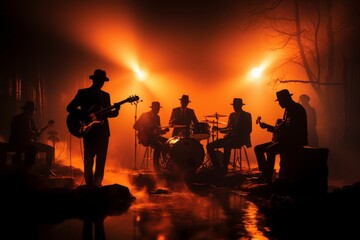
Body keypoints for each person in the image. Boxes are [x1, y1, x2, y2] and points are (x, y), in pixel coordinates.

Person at [66, 69, 120, 187]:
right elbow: (70, 108)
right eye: (100, 80)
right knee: (89, 157)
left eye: (103, 81)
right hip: (89, 130)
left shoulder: (106, 96)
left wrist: (116, 111)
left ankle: (98, 183)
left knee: (101, 158)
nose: (101, 83)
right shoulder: (83, 93)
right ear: (94, 80)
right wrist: (85, 115)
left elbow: (107, 114)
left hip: (103, 131)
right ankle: (89, 183)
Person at [254, 89, 308, 183]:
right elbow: (284, 128)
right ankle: (265, 173)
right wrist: (270, 127)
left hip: (294, 141)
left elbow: (290, 130)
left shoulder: (295, 109)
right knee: (258, 148)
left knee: (270, 150)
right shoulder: (289, 109)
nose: (279, 103)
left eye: (280, 101)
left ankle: (267, 177)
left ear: (285, 99)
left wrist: (270, 128)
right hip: (285, 139)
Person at [8, 101, 55, 176]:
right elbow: (34, 134)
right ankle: (40, 170)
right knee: (49, 149)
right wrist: (47, 125)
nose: (33, 112)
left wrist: (47, 125)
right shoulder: (25, 119)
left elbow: (36, 133)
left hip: (17, 143)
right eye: (32, 110)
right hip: (22, 144)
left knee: (33, 147)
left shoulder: (21, 118)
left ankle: (31, 170)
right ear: (30, 110)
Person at [206, 98, 252, 174]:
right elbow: (228, 128)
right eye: (234, 105)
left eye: (236, 105)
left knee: (227, 145)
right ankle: (217, 167)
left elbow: (249, 130)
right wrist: (218, 128)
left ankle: (224, 167)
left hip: (241, 139)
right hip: (230, 138)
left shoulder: (247, 115)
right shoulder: (232, 115)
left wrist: (236, 131)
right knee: (209, 146)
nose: (234, 107)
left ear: (240, 106)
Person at [133, 101, 169, 172]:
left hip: (154, 137)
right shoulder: (144, 115)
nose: (158, 110)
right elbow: (135, 126)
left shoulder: (157, 117)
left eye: (158, 109)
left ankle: (165, 164)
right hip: (145, 137)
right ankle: (156, 167)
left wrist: (164, 131)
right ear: (153, 108)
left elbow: (158, 131)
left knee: (168, 142)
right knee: (159, 145)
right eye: (157, 109)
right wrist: (144, 129)